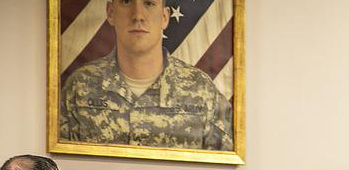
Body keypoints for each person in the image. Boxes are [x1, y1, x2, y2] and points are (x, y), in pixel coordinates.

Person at [60, 0, 233, 151]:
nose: (138, 16)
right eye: (126, 2)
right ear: (111, 12)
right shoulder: (80, 86)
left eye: (149, 3)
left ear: (165, 17)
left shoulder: (201, 90)